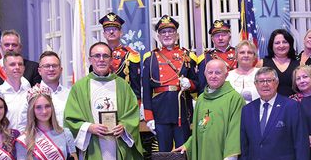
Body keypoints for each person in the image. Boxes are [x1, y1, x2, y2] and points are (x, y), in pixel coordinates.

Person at [142, 15, 198, 151]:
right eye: (163, 32)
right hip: (160, 111)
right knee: (164, 153)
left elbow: (197, 85)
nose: (167, 35)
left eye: (170, 31)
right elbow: (146, 90)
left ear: (177, 35)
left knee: (183, 152)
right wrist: (149, 117)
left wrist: (189, 83)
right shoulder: (150, 58)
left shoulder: (188, 56)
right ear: (158, 37)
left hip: (181, 110)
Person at [97, 12, 141, 101]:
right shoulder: (98, 55)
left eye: (115, 29)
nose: (111, 32)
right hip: (103, 100)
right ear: (104, 34)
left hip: (124, 100)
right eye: (108, 29)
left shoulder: (130, 55)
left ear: (121, 33)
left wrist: (136, 104)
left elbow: (135, 86)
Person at [197, 20, 238, 93]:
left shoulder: (239, 53)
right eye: (217, 35)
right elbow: (202, 85)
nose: (220, 38)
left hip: (237, 92)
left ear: (229, 37)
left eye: (223, 35)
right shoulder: (206, 57)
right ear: (212, 39)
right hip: (215, 94)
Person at [257, 29, 299, 97]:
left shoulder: (299, 65)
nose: (281, 45)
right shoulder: (261, 64)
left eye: (285, 42)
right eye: (277, 43)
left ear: (290, 44)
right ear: (272, 45)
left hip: (293, 102)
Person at [0, 52, 31, 132]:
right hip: (3, 138)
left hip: (28, 138)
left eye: (20, 64)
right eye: (12, 64)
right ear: (4, 69)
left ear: (24, 68)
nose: (17, 67)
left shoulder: (31, 93)